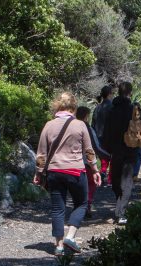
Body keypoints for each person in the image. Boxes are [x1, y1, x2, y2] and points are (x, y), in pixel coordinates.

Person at [34, 93, 101, 255]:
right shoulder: (80, 125)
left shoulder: (49, 125)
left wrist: (38, 173)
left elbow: (41, 154)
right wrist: (95, 170)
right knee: (82, 203)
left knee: (58, 209)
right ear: (73, 106)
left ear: (57, 105)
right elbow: (89, 151)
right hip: (76, 171)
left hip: (54, 172)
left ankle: (59, 246)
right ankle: (70, 236)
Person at [101, 81, 141, 224]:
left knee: (115, 179)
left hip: (116, 150)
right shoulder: (134, 109)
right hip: (131, 149)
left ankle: (120, 207)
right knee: (126, 180)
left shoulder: (112, 110)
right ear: (130, 93)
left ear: (118, 92)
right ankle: (121, 211)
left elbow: (106, 130)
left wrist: (106, 150)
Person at [75, 105, 110, 219]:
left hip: (73, 162)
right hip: (87, 162)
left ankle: (78, 206)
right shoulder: (88, 129)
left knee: (77, 185)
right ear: (86, 117)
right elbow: (96, 146)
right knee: (91, 184)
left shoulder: (71, 127)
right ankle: (87, 205)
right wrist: (108, 156)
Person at [92, 85, 114, 185]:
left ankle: (103, 172)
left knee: (103, 157)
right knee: (112, 156)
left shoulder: (97, 108)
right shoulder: (113, 107)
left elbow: (93, 123)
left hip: (98, 136)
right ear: (109, 94)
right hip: (110, 136)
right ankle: (109, 178)